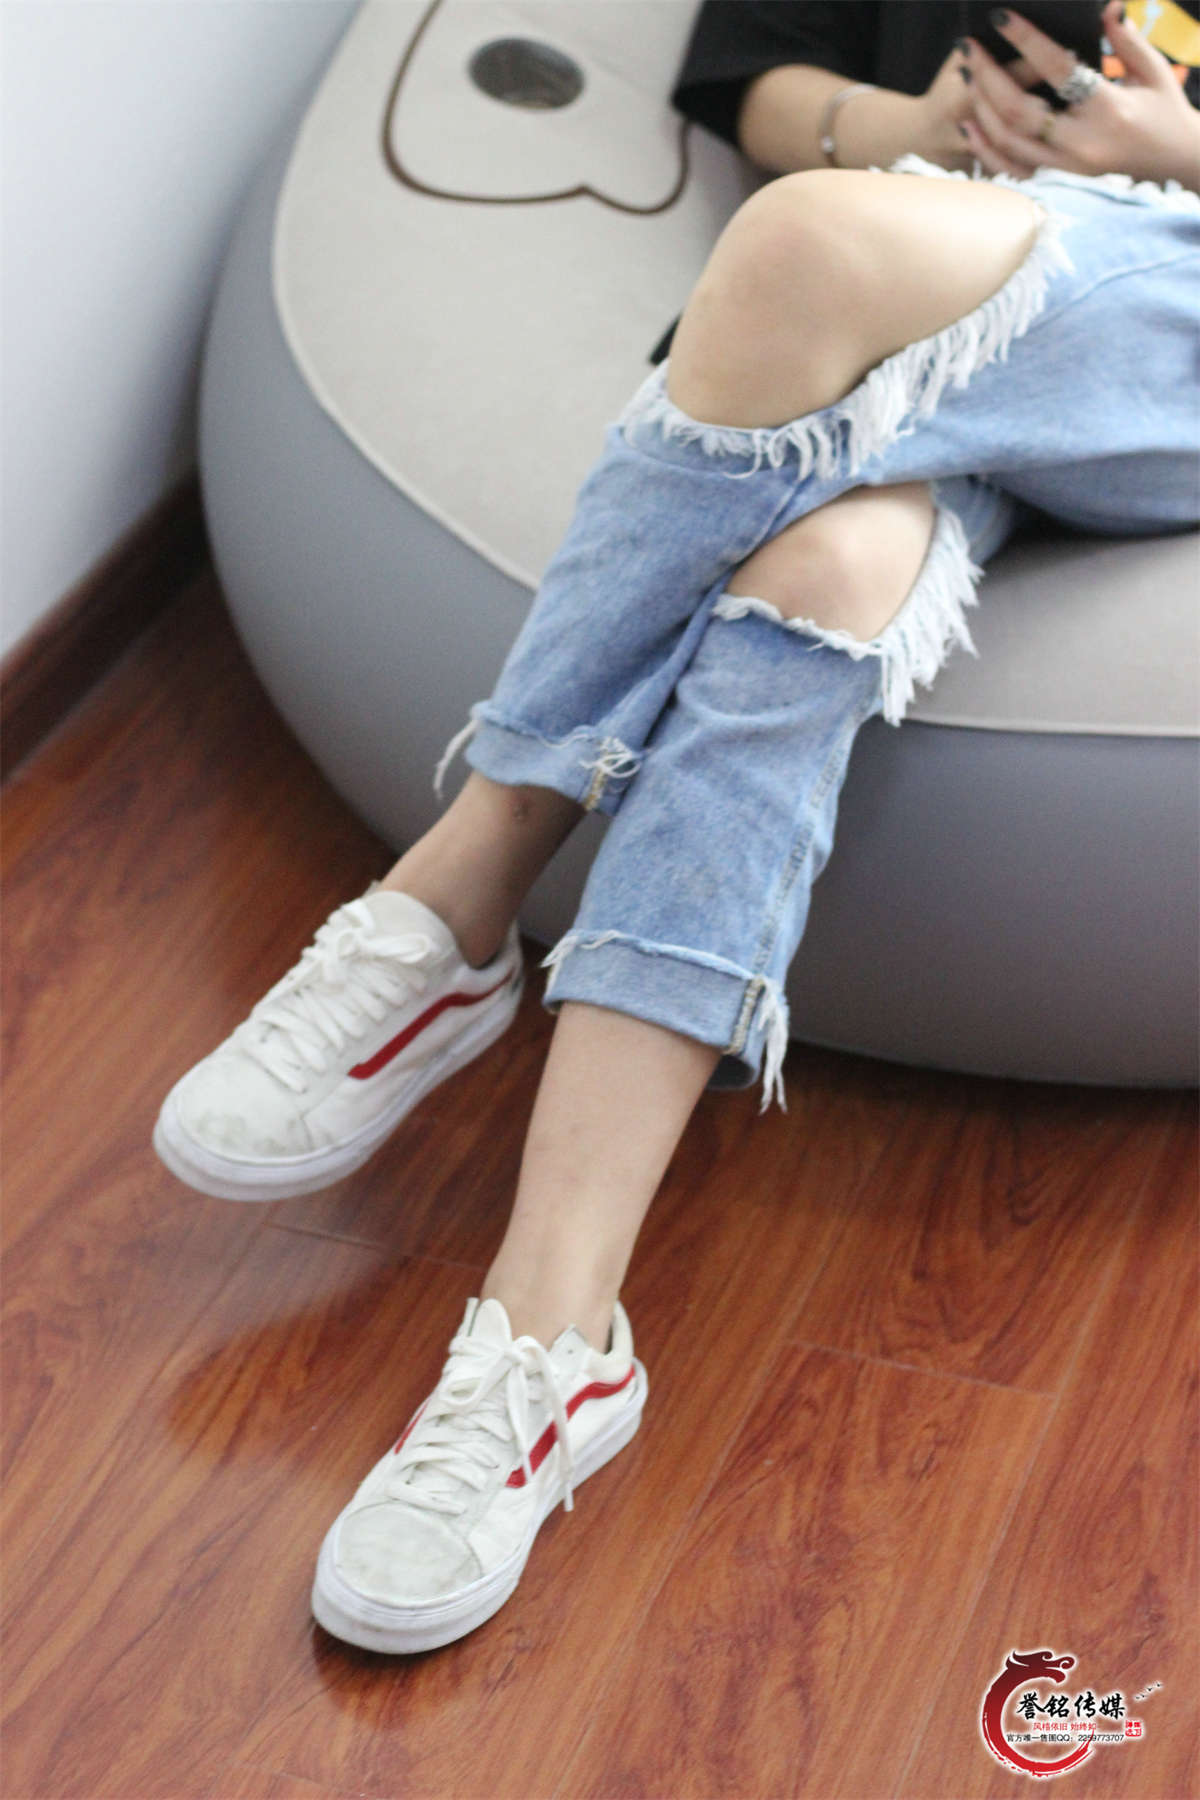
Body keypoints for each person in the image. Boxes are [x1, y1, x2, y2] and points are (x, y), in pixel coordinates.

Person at [154, 4, 1199, 1654]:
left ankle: (466, 875)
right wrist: (912, 127)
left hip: (1154, 295)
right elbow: (752, 79)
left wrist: (1173, 148)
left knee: (798, 252)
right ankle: (553, 1336)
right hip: (911, 308)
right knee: (815, 582)